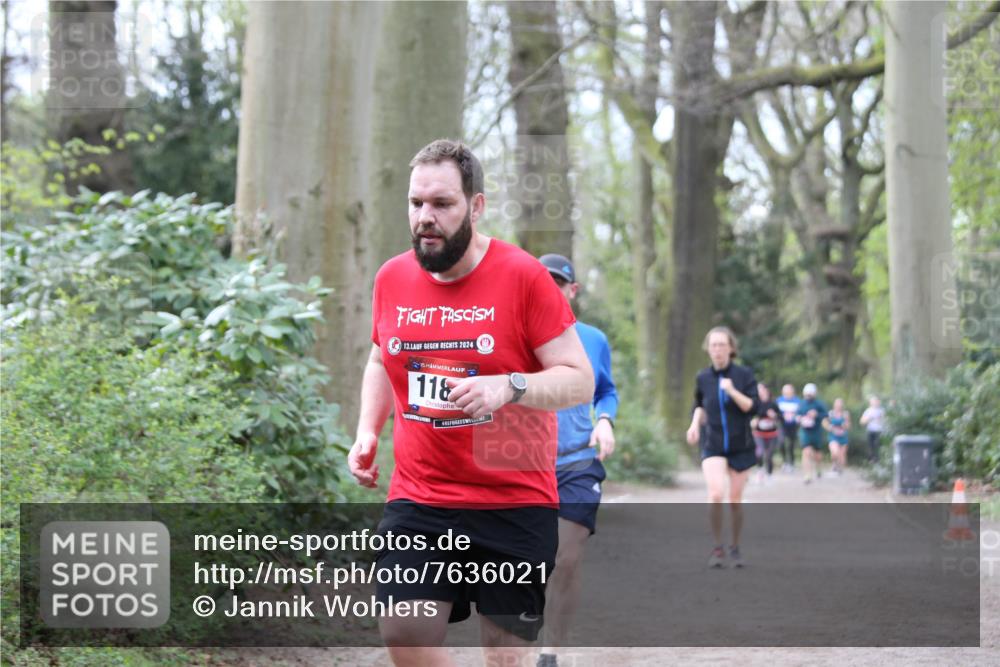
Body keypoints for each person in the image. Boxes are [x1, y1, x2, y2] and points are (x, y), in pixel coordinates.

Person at [347, 139, 595, 667]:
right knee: (403, 634)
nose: (425, 218)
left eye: (442, 204)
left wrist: (510, 386)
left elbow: (579, 381)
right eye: (416, 204)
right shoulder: (392, 278)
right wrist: (368, 430)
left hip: (513, 500)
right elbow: (379, 359)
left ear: (475, 207)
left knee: (504, 659)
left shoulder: (523, 276)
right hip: (422, 497)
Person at [535, 254, 619, 667]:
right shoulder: (514, 334)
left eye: (558, 282)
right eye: (542, 281)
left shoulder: (592, 339)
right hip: (525, 466)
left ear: (572, 290)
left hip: (578, 462)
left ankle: (552, 650)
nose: (549, 289)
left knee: (566, 557)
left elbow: (607, 391)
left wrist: (604, 421)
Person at [685, 326, 760, 569]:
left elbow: (752, 406)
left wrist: (731, 391)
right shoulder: (702, 378)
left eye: (722, 345)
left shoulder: (744, 375)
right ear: (708, 349)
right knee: (716, 493)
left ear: (731, 348)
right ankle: (717, 547)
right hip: (713, 442)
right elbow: (699, 405)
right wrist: (695, 424)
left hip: (740, 444)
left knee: (735, 501)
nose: (717, 349)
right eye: (713, 345)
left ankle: (735, 546)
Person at [797, 383, 828, 483]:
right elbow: (797, 415)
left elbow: (826, 415)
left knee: (817, 454)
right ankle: (807, 475)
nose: (808, 396)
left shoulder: (819, 404)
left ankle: (818, 468)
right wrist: (800, 418)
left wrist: (816, 414)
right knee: (806, 452)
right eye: (807, 394)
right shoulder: (801, 404)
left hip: (816, 432)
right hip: (805, 432)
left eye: (810, 394)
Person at [751, 383, 781, 483]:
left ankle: (769, 474)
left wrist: (775, 415)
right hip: (759, 434)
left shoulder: (773, 403)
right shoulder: (755, 403)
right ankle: (760, 471)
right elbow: (750, 416)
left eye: (761, 389)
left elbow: (782, 417)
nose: (760, 392)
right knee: (759, 453)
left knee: (769, 455)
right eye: (758, 390)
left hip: (772, 434)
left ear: (766, 390)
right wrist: (753, 420)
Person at [775, 384, 801, 472]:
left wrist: (797, 417)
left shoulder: (797, 401)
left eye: (789, 390)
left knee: (791, 445)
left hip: (793, 426)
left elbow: (800, 413)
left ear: (792, 391)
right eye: (785, 391)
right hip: (782, 425)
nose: (787, 392)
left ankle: (792, 463)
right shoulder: (779, 400)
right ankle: (785, 461)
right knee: (781, 442)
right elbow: (775, 412)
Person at [823, 398, 851, 474]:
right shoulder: (830, 413)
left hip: (843, 437)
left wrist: (844, 425)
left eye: (840, 404)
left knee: (842, 456)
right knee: (835, 452)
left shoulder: (845, 414)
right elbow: (824, 422)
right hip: (833, 437)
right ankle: (834, 464)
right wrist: (829, 427)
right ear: (834, 405)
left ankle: (839, 468)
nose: (839, 406)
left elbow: (849, 425)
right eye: (837, 404)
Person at [860, 395, 885, 462]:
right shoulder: (868, 411)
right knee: (870, 447)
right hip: (870, 431)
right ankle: (871, 460)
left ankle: (878, 460)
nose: (875, 403)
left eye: (876, 401)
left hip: (879, 431)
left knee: (877, 446)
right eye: (873, 401)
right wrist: (869, 418)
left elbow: (886, 420)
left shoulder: (882, 411)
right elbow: (862, 422)